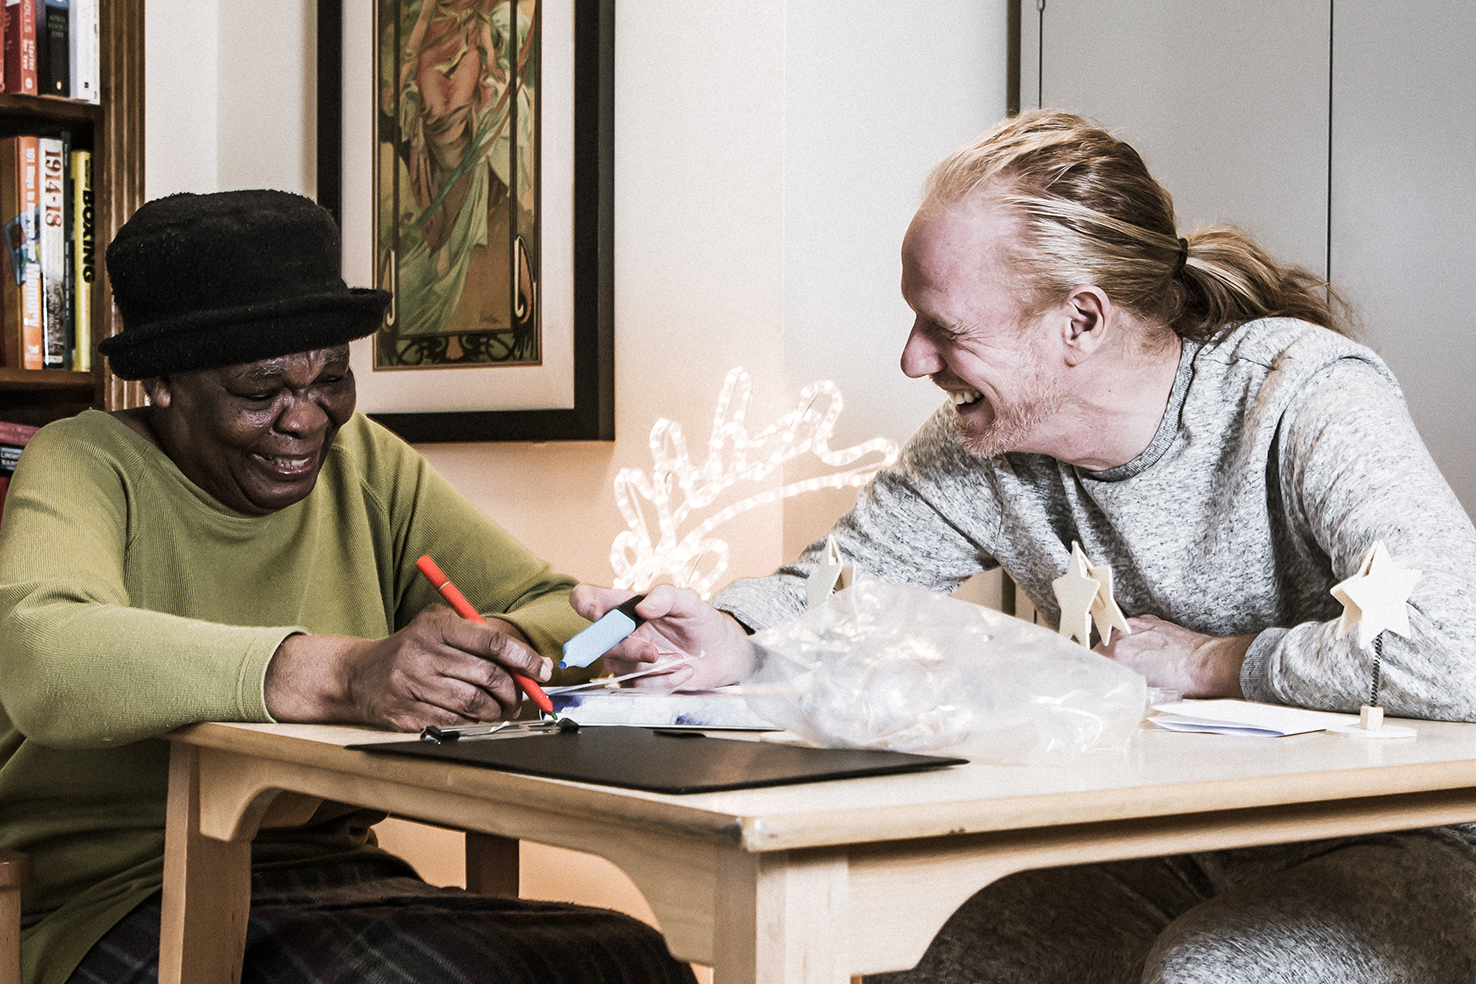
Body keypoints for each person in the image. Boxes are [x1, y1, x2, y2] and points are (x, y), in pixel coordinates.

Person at [571, 110, 1476, 982]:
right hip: (1168, 839)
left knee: (1220, 972)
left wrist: (1213, 661)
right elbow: (830, 589)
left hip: (1410, 842)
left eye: (946, 329)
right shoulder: (981, 451)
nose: (912, 361)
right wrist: (728, 635)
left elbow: (1456, 651)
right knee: (927, 947)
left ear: (1080, 321)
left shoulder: (1302, 392)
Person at [0, 190, 695, 984]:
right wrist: (344, 672)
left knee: (632, 960)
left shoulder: (363, 461)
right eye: (260, 393)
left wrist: (537, 648)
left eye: (331, 378)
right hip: (117, 898)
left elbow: (553, 603)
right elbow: (46, 654)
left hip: (339, 875)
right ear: (162, 383)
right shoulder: (83, 461)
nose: (305, 421)